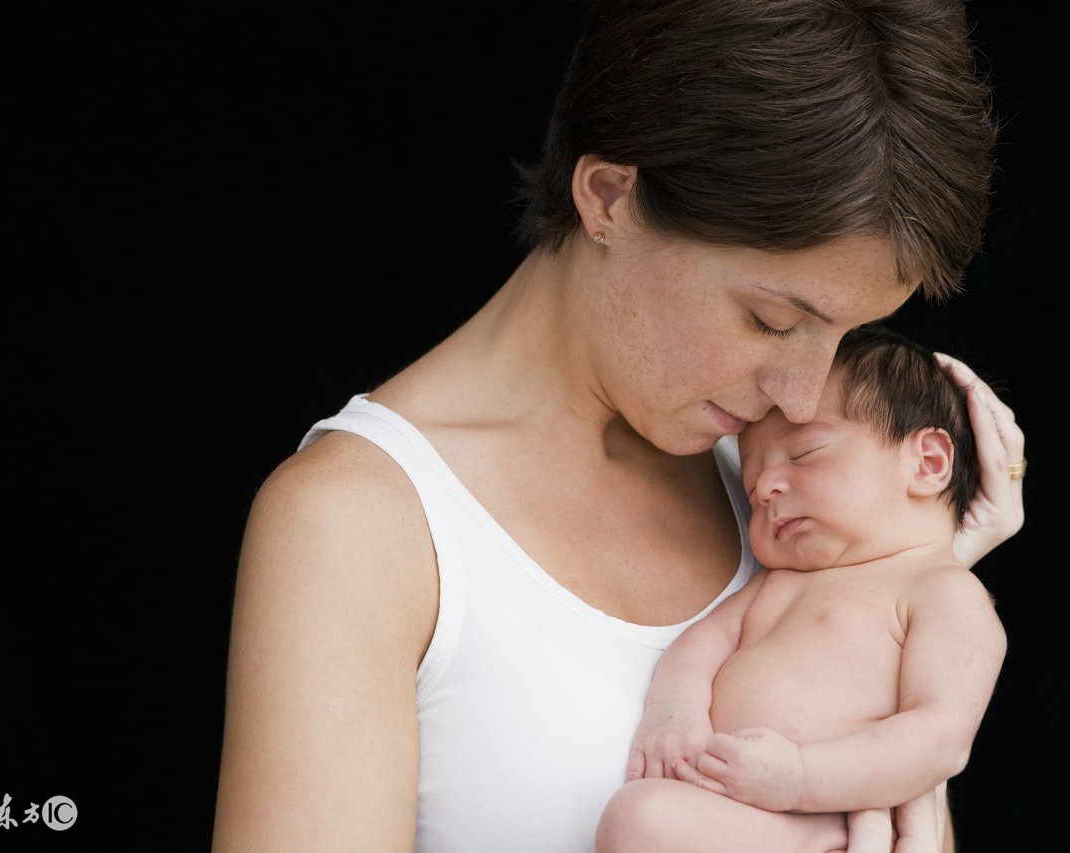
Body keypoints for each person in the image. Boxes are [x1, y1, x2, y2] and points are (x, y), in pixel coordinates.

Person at [210, 2, 1026, 852]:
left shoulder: (797, 490)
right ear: (608, 197)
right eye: (774, 320)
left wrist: (915, 561)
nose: (800, 395)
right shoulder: (361, 525)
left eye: (847, 332)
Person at [595, 323, 1011, 853]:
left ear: (928, 463)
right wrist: (674, 709)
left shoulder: (945, 594)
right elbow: (698, 647)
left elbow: (940, 736)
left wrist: (800, 777)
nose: (767, 488)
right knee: (642, 818)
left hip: (829, 816)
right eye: (751, 487)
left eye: (804, 454)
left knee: (643, 819)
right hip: (733, 811)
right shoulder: (779, 584)